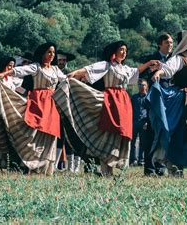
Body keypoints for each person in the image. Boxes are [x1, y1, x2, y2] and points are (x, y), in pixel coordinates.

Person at [54, 40, 158, 176]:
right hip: (111, 100)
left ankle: (110, 167)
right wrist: (75, 74)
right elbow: (89, 69)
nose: (124, 52)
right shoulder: (107, 65)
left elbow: (136, 71)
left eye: (125, 50)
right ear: (114, 51)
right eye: (121, 49)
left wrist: (149, 64)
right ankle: (105, 168)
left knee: (120, 134)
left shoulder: (124, 68)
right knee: (110, 131)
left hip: (123, 103)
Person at [0, 43, 66, 175]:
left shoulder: (56, 69)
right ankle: (31, 163)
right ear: (42, 54)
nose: (51, 55)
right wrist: (5, 73)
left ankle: (46, 167)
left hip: (52, 104)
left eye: (53, 53)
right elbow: (21, 71)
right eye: (48, 52)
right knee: (33, 133)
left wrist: (78, 76)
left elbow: (66, 79)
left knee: (50, 134)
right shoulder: (36, 67)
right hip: (38, 101)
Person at [149, 30, 187, 177]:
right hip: (181, 100)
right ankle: (173, 165)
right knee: (179, 132)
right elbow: (168, 69)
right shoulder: (179, 58)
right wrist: (158, 73)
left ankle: (179, 166)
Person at [141, 33, 173, 176]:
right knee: (152, 133)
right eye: (167, 42)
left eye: (172, 43)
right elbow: (145, 77)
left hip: (168, 101)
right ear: (160, 44)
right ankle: (149, 168)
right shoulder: (152, 59)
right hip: (154, 101)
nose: (170, 45)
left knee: (164, 133)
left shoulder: (173, 60)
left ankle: (161, 167)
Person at [55, 50, 82, 173]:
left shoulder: (71, 74)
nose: (62, 62)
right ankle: (54, 165)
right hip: (54, 107)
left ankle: (73, 167)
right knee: (58, 136)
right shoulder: (52, 72)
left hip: (68, 108)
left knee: (71, 136)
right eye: (60, 60)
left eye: (64, 60)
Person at [130, 78, 148, 166]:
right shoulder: (134, 97)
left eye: (143, 85)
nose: (142, 86)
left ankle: (141, 160)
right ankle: (133, 160)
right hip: (134, 122)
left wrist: (147, 122)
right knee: (132, 142)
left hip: (144, 122)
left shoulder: (149, 97)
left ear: (146, 86)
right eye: (140, 85)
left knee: (143, 142)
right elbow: (130, 109)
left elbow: (151, 111)